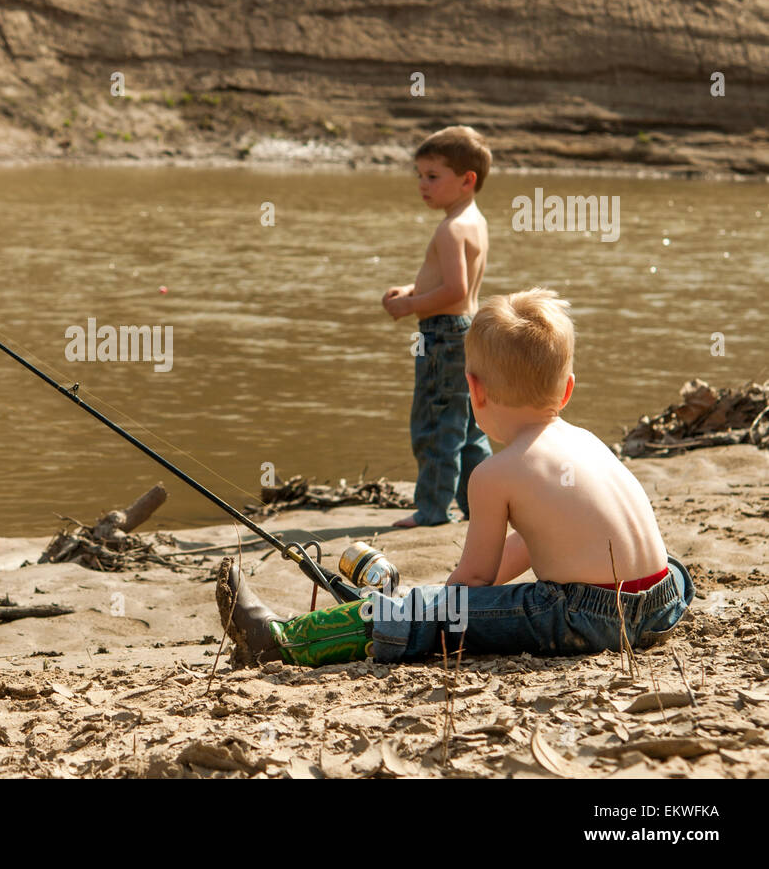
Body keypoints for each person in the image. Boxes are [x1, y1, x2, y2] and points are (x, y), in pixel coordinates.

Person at [218, 288, 693, 666]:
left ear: (473, 389)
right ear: (566, 389)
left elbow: (475, 577)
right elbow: (539, 542)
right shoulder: (586, 441)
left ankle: (281, 640)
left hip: (588, 619)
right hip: (664, 597)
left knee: (420, 613)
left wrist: (430, 608)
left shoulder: (494, 473)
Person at [382, 126, 493, 528]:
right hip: (466, 331)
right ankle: (478, 505)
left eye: (432, 176)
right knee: (466, 427)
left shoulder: (449, 229)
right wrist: (412, 288)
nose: (422, 185)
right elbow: (454, 285)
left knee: (434, 424)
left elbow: (454, 290)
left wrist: (408, 306)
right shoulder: (473, 221)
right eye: (419, 175)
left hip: (443, 334)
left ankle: (431, 509)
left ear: (467, 180)